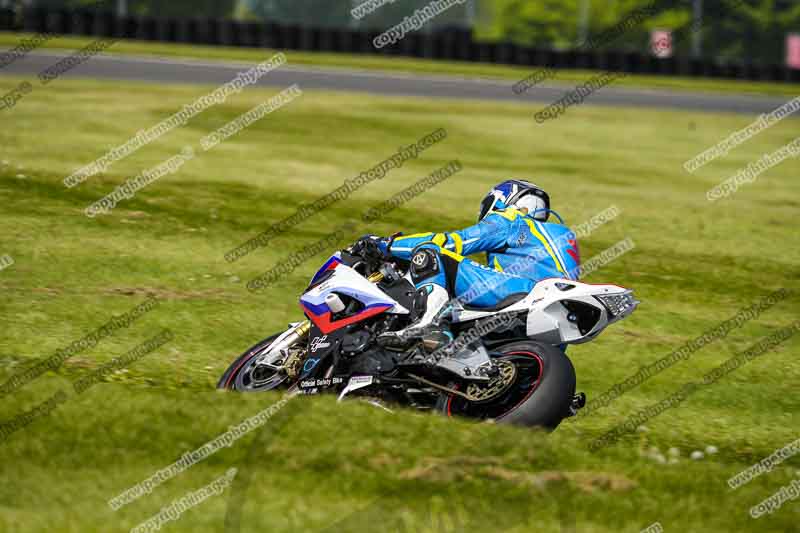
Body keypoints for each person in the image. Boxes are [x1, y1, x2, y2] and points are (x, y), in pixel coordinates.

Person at [354, 180, 580, 350]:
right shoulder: (560, 234)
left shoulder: (513, 220)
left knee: (432, 253)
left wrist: (385, 244)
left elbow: (452, 243)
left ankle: (429, 323)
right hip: (554, 335)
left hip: (521, 295)